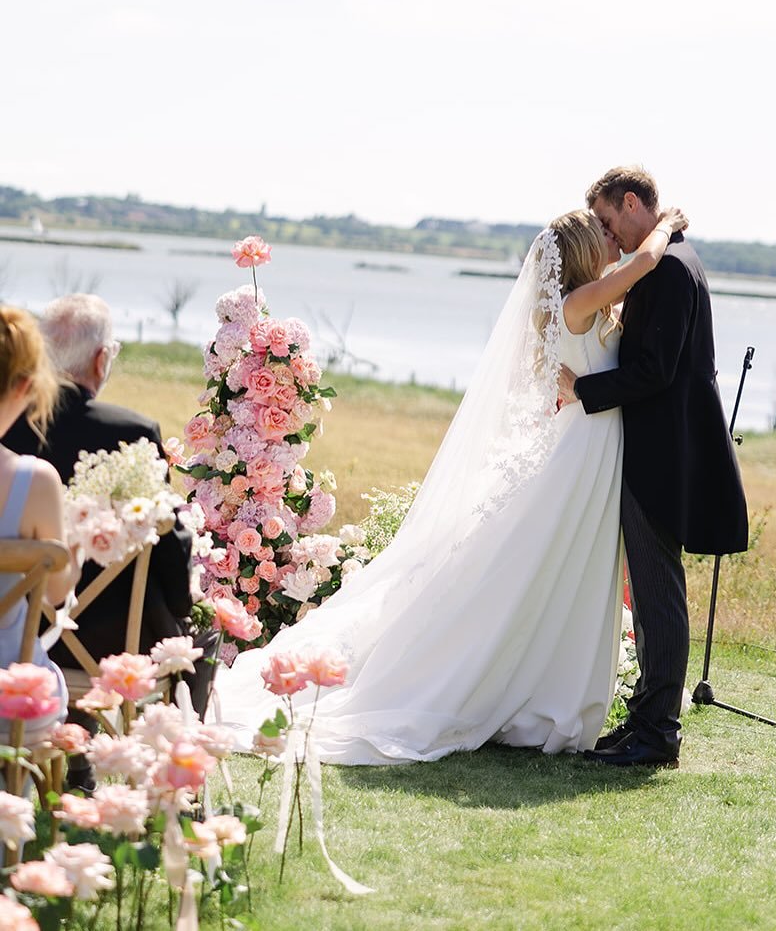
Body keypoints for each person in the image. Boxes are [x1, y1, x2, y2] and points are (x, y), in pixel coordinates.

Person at [214, 204, 688, 764]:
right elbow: (646, 261)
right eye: (603, 235)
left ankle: (545, 689)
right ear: (585, 252)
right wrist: (665, 224)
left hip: (589, 449)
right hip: (580, 452)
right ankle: (525, 693)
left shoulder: (594, 303)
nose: (614, 240)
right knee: (553, 567)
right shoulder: (580, 302)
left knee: (567, 572)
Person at [558, 165, 749, 769]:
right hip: (656, 449)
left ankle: (658, 732)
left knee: (657, 591)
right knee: (648, 590)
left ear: (633, 202)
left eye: (612, 222)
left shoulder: (667, 266)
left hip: (663, 456)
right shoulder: (666, 258)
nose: (609, 239)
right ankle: (645, 718)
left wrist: (582, 389)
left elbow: (655, 372)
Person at [2, 295, 194, 663]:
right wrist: (185, 601)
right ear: (101, 358)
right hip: (106, 644)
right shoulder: (132, 432)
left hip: (13, 631)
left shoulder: (7, 427)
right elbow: (166, 545)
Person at [0, 306, 77, 745]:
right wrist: (76, 557)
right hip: (12, 701)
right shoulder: (34, 481)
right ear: (26, 386)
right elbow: (54, 594)